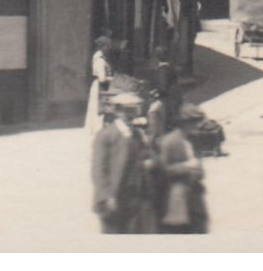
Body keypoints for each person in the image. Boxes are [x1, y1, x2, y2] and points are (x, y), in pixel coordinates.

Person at [92, 93, 152, 234]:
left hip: (133, 198)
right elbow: (98, 170)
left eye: (134, 111)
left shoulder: (137, 135)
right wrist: (107, 196)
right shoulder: (106, 135)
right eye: (128, 111)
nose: (132, 116)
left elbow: (144, 158)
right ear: (118, 111)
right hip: (113, 198)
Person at [152, 116, 209, 234]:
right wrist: (186, 166)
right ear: (185, 124)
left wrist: (198, 171)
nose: (198, 126)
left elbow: (199, 165)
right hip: (176, 198)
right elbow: (163, 170)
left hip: (195, 195)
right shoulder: (169, 141)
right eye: (194, 123)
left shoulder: (193, 139)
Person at [84, 36, 114, 136]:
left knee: (98, 109)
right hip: (100, 87)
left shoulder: (99, 57)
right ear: (103, 46)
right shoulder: (100, 60)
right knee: (99, 109)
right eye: (108, 46)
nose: (109, 48)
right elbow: (102, 78)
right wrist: (114, 79)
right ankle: (98, 132)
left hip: (98, 86)